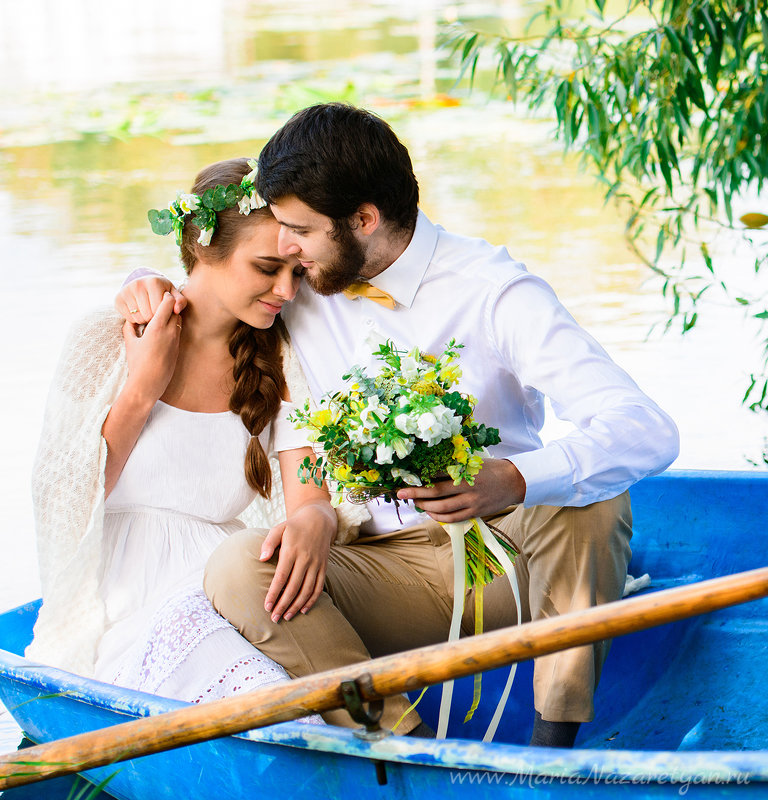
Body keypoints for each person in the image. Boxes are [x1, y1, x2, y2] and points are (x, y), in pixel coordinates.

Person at [116, 103, 680, 747]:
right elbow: (220, 265)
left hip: (508, 564)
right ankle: (405, 753)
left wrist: (513, 479)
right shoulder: (302, 287)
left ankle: (553, 744)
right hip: (388, 566)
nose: (286, 249)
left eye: (299, 232)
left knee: (593, 500)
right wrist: (143, 283)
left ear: (364, 219)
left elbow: (645, 428)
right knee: (240, 567)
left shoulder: (495, 292)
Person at [29, 158, 359, 713]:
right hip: (121, 596)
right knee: (246, 681)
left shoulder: (281, 359)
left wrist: (314, 517)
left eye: (296, 272)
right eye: (266, 268)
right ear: (205, 249)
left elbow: (309, 489)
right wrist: (143, 385)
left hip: (227, 581)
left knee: (292, 676)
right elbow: (66, 496)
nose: (287, 290)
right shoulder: (103, 339)